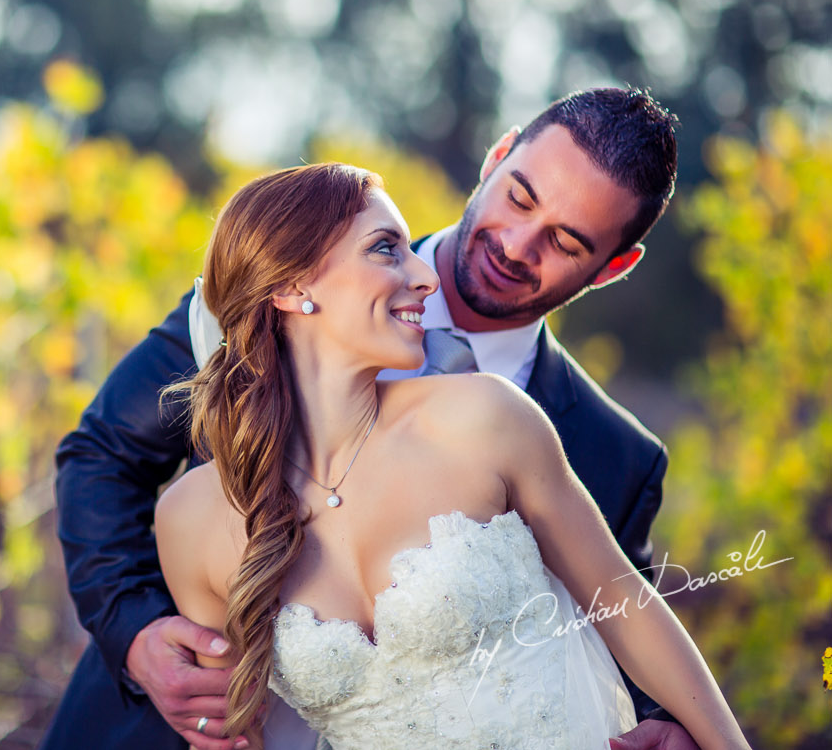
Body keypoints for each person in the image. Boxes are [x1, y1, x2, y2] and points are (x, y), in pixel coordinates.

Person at [43, 88, 694, 750]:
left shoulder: (617, 458)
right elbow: (102, 455)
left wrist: (666, 721)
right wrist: (137, 632)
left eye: (565, 240)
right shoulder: (276, 281)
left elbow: (615, 614)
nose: (517, 244)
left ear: (612, 268)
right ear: (497, 157)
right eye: (520, 197)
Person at [152, 162, 749, 749]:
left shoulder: (485, 418)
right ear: (291, 286)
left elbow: (629, 607)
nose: (426, 277)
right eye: (386, 249)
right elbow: (233, 734)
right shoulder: (191, 519)